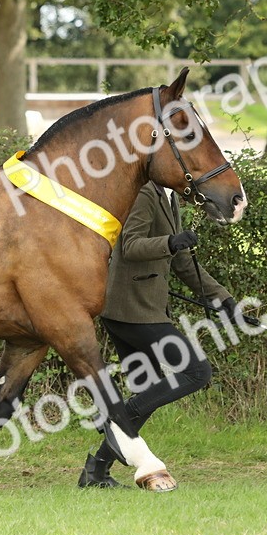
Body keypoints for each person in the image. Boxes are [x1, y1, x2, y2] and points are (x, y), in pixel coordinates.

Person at [79, 181, 238, 489]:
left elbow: (182, 264)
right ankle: (120, 414)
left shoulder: (168, 197)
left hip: (140, 311)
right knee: (197, 371)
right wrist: (170, 241)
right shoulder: (143, 194)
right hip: (132, 312)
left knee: (150, 390)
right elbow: (131, 245)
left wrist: (223, 300)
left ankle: (95, 471)